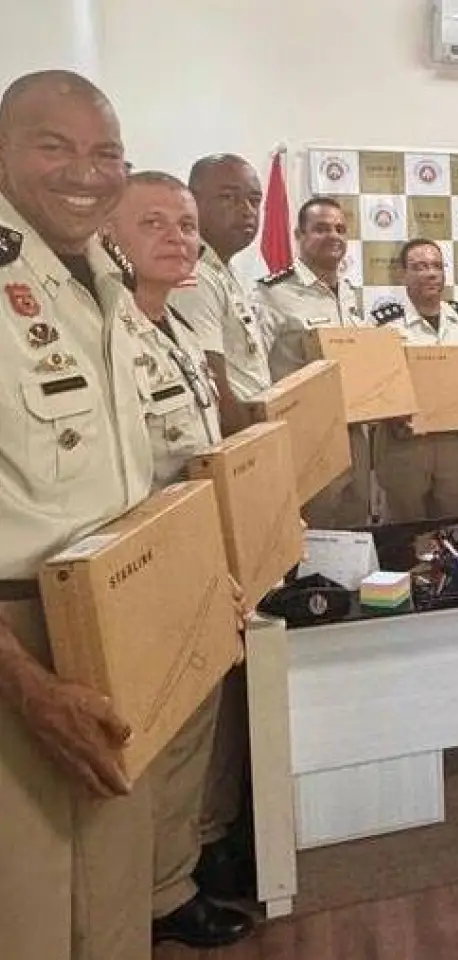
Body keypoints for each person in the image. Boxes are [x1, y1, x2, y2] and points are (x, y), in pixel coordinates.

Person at [0, 69, 155, 960]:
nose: (86, 173)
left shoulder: (103, 270)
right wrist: (26, 683)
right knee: (28, 914)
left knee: (112, 899)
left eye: (107, 153)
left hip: (113, 614)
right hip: (20, 641)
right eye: (54, 147)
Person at [101, 171, 255, 947]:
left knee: (190, 735)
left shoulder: (181, 335)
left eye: (186, 225)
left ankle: (172, 886)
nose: (177, 238)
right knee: (149, 745)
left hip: (196, 552)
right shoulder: (106, 337)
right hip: (138, 567)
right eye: (153, 222)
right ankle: (142, 899)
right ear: (109, 237)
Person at [257, 197, 371, 527]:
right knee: (316, 530)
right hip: (306, 436)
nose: (333, 236)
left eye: (340, 229)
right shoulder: (272, 295)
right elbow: (255, 371)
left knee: (356, 526)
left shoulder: (350, 294)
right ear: (299, 235)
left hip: (355, 433)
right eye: (321, 228)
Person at [374, 238, 458, 520]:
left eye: (437, 266)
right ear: (403, 274)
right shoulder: (383, 325)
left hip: (454, 442)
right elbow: (372, 386)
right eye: (420, 267)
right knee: (404, 528)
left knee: (456, 524)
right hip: (404, 442)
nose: (431, 273)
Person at [169, 154, 271, 434]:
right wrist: (254, 440)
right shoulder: (196, 275)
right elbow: (210, 382)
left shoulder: (224, 271)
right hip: (235, 439)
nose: (247, 210)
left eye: (255, 200)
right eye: (228, 198)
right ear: (192, 202)